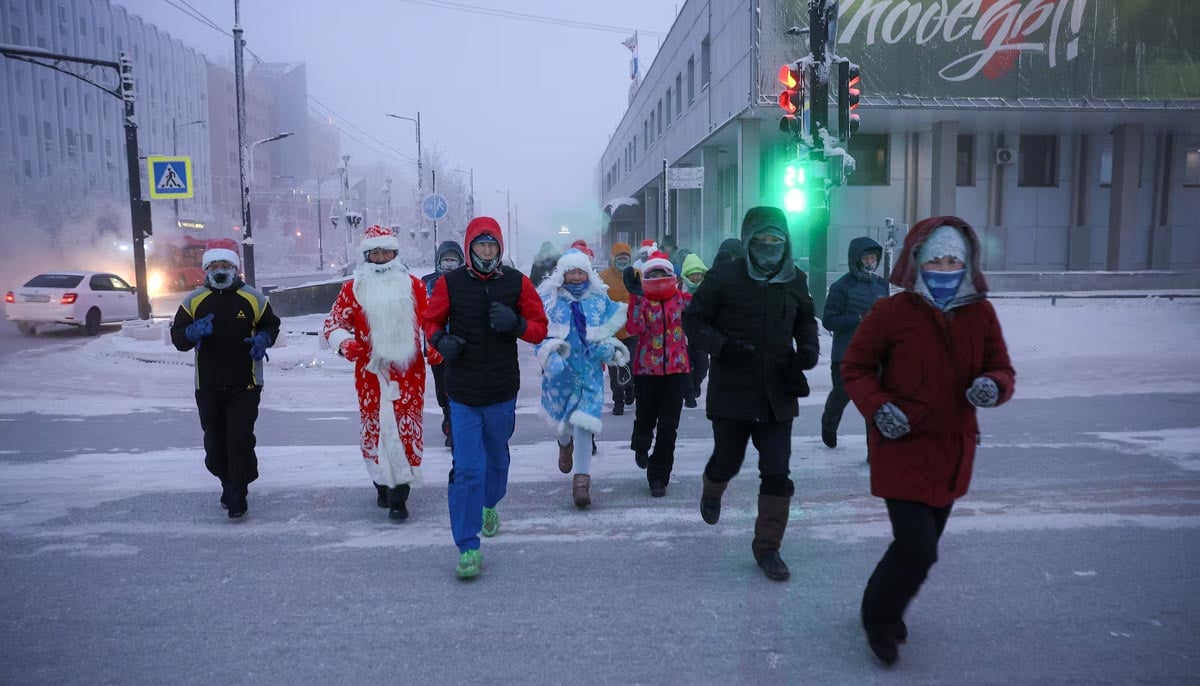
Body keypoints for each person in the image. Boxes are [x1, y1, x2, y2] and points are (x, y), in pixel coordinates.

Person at [842, 218, 1015, 666]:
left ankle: (885, 602)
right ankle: (878, 618)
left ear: (967, 263)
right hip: (901, 446)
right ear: (917, 260)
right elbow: (855, 368)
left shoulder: (981, 314)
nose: (943, 267)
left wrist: (992, 385)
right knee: (918, 546)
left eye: (952, 259)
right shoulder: (891, 313)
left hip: (952, 452)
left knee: (917, 547)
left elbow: (1002, 368)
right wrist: (878, 407)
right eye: (935, 258)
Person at [682, 206, 819, 582]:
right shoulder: (725, 276)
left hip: (778, 392)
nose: (770, 246)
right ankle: (713, 486)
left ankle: (768, 548)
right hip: (733, 392)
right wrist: (722, 347)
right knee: (728, 460)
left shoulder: (795, 278)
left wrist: (807, 349)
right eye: (762, 239)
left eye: (777, 239)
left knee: (776, 471)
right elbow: (693, 320)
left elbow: (806, 319)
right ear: (749, 241)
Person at [423, 216, 549, 579]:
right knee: (467, 469)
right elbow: (430, 321)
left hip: (501, 391)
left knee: (496, 463)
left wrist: (517, 324)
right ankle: (467, 546)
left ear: (500, 248)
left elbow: (540, 327)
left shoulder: (516, 282)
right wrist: (439, 340)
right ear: (469, 247)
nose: (486, 251)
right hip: (461, 391)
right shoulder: (450, 283)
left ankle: (490, 504)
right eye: (480, 244)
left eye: (492, 244)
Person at [324, 225, 429, 521]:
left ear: (394, 253)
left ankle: (400, 495)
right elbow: (332, 324)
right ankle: (381, 482)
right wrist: (345, 344)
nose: (381, 257)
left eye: (386, 251)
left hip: (408, 374)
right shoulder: (354, 289)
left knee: (404, 428)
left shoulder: (414, 286)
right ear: (367, 256)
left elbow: (434, 320)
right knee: (377, 429)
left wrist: (436, 346)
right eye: (375, 253)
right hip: (370, 375)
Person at [170, 247, 280, 519]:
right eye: (214, 266)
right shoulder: (194, 301)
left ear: (235, 269)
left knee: (240, 439)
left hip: (246, 383)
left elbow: (271, 324)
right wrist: (191, 332)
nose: (220, 270)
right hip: (207, 384)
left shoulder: (252, 297)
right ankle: (226, 482)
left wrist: (263, 339)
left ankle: (238, 491)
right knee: (215, 443)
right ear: (207, 270)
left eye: (225, 265)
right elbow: (178, 338)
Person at [536, 249, 629, 508]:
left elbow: (612, 328)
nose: (576, 277)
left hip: (589, 375)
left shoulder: (599, 299)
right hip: (561, 375)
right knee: (564, 425)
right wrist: (549, 357)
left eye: (580, 271)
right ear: (562, 274)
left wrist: (609, 349)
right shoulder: (550, 299)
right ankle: (563, 444)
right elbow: (538, 335)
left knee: (585, 426)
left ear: (588, 272)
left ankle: (581, 483)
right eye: (571, 272)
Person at [624, 251, 691, 498]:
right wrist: (636, 297)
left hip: (677, 370)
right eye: (653, 274)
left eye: (664, 274)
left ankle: (659, 475)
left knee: (669, 426)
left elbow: (703, 306)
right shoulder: (642, 300)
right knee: (645, 419)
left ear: (671, 276)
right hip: (647, 372)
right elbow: (633, 327)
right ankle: (641, 446)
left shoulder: (680, 299)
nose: (659, 278)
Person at [820, 237, 889, 449]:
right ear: (855, 260)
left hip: (874, 357)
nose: (870, 262)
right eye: (866, 258)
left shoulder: (881, 285)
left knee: (874, 403)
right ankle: (829, 423)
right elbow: (829, 320)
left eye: (873, 258)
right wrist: (858, 318)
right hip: (845, 357)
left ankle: (875, 451)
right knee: (842, 395)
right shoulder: (841, 287)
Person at [421, 240, 465, 448]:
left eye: (453, 260)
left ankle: (455, 427)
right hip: (436, 345)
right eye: (446, 259)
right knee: (442, 388)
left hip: (462, 344)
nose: (449, 264)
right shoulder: (427, 282)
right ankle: (446, 413)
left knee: (457, 386)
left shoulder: (467, 280)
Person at [599, 242, 636, 415]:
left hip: (632, 330)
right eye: (619, 258)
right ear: (613, 259)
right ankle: (618, 400)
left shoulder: (637, 274)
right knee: (615, 368)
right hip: (612, 331)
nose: (622, 261)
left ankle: (630, 387)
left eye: (625, 258)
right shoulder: (602, 277)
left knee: (631, 363)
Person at [679, 252, 710, 409]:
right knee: (686, 365)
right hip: (682, 333)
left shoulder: (707, 288)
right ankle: (689, 395)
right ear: (686, 275)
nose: (696, 278)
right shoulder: (679, 288)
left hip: (701, 332)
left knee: (703, 364)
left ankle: (696, 383)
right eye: (693, 275)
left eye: (698, 274)